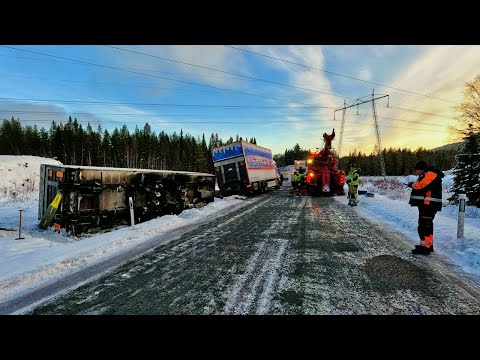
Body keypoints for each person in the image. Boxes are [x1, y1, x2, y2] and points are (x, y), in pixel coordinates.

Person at [407, 161, 444, 255]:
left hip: (429, 205)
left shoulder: (430, 174)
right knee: (424, 225)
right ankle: (427, 245)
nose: (417, 172)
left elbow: (422, 186)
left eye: (417, 170)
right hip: (426, 204)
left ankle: (426, 248)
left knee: (425, 225)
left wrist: (412, 185)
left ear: (422, 169)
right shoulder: (426, 174)